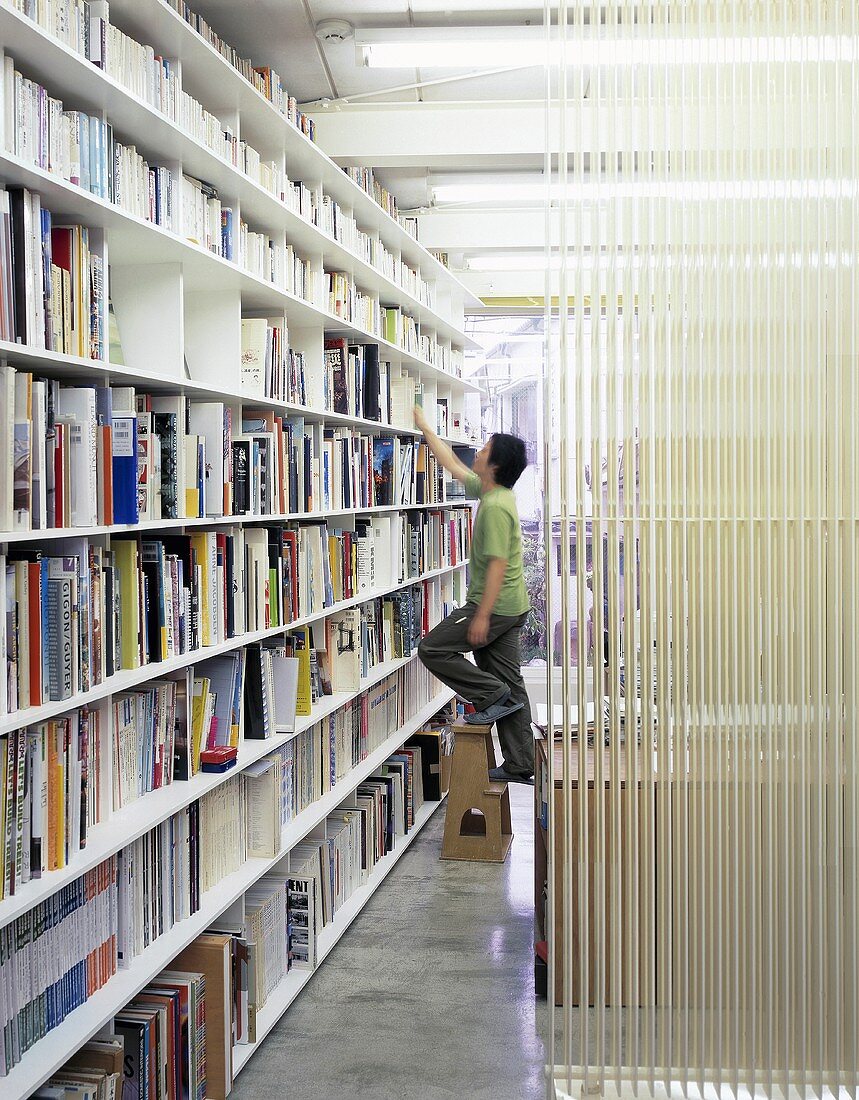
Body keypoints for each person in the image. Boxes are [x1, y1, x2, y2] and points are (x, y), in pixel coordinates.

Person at [413, 406, 534, 783]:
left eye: (484, 449)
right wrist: (425, 428)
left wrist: (481, 615)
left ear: (494, 465)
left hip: (494, 607)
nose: (477, 452)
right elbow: (452, 465)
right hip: (513, 607)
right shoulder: (491, 490)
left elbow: (497, 563)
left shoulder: (496, 506)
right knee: (513, 687)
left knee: (432, 649)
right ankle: (521, 763)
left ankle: (490, 694)